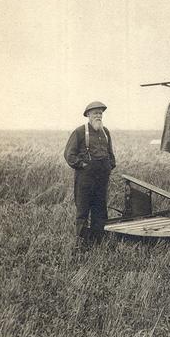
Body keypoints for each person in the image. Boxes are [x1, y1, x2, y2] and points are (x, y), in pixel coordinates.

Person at [64, 101, 116, 243]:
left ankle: (98, 241)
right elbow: (69, 154)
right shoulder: (80, 132)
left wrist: (109, 165)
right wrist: (82, 165)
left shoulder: (105, 132)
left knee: (100, 210)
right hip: (85, 178)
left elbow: (110, 153)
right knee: (83, 210)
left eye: (100, 113)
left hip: (102, 178)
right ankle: (81, 243)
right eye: (95, 113)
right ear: (88, 115)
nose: (98, 116)